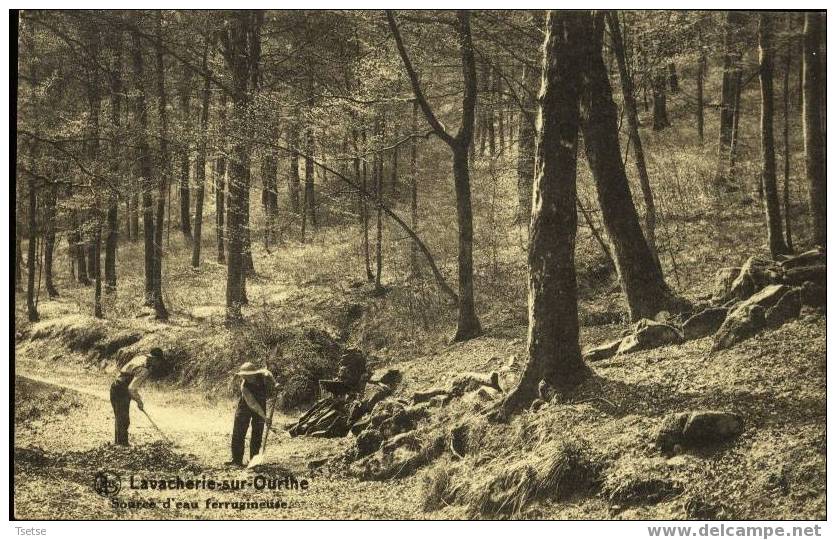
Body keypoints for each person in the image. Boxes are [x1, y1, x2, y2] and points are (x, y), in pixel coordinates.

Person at [109, 347, 166, 446]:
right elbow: (131, 389)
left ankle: (119, 443)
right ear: (155, 359)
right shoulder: (144, 370)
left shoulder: (140, 358)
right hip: (121, 390)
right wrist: (139, 401)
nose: (158, 365)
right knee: (123, 419)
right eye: (159, 362)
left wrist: (136, 398)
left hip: (115, 386)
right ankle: (122, 445)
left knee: (120, 417)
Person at [227, 362, 277, 467]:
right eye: (244, 376)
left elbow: (268, 373)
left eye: (247, 375)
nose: (245, 378)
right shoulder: (244, 386)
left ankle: (254, 460)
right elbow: (252, 404)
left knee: (257, 432)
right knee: (239, 432)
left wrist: (275, 383)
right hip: (245, 405)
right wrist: (265, 417)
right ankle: (236, 460)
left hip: (261, 403)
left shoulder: (263, 375)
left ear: (253, 373)